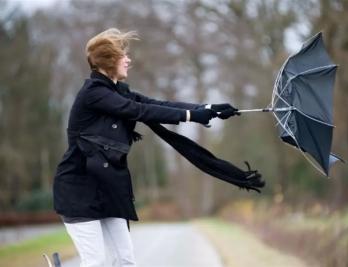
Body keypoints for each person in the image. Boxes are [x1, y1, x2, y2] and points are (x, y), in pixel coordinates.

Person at [52, 28, 239, 267]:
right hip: (78, 189)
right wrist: (192, 116)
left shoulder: (119, 91)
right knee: (96, 261)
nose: (128, 59)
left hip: (109, 187)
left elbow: (156, 104)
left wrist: (209, 108)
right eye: (123, 55)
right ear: (109, 61)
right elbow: (139, 111)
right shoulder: (94, 94)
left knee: (125, 260)